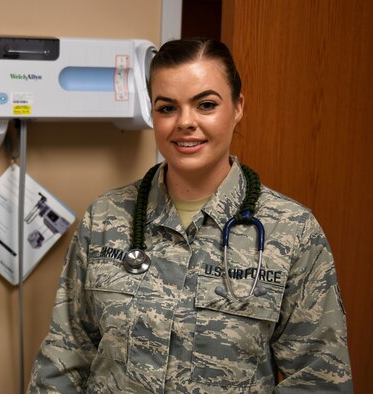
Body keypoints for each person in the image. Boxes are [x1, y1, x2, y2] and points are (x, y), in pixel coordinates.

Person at [28, 37, 353, 393]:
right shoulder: (105, 218)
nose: (185, 122)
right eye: (167, 108)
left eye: (206, 105)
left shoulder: (292, 231)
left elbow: (318, 380)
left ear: (238, 107)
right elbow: (65, 357)